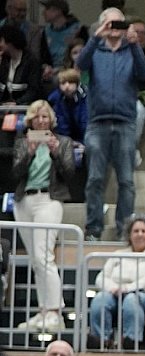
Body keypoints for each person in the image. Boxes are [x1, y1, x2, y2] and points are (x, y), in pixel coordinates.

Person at [76, 7, 145, 241]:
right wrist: (96, 37)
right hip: (98, 123)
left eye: (119, 24)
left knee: (126, 181)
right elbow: (81, 64)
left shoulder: (131, 49)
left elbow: (144, 73)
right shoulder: (95, 49)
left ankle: (124, 230)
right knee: (95, 179)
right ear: (101, 25)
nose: (114, 29)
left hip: (125, 122)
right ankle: (93, 229)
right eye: (110, 24)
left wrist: (135, 45)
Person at [12, 98, 73, 333]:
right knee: (35, 260)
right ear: (30, 120)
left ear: (51, 120)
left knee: (44, 256)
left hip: (49, 200)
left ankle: (55, 312)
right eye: (36, 116)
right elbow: (15, 173)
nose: (40, 120)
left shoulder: (63, 142)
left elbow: (70, 173)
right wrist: (29, 151)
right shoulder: (22, 142)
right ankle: (43, 310)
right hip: (24, 202)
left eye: (45, 116)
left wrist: (56, 152)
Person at [84, 216, 145, 350]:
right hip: (116, 295)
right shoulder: (118, 254)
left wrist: (129, 288)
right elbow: (101, 277)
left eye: (144, 231)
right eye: (136, 231)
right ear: (129, 235)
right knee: (100, 298)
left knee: (131, 299)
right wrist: (113, 288)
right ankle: (101, 341)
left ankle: (130, 341)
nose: (139, 234)